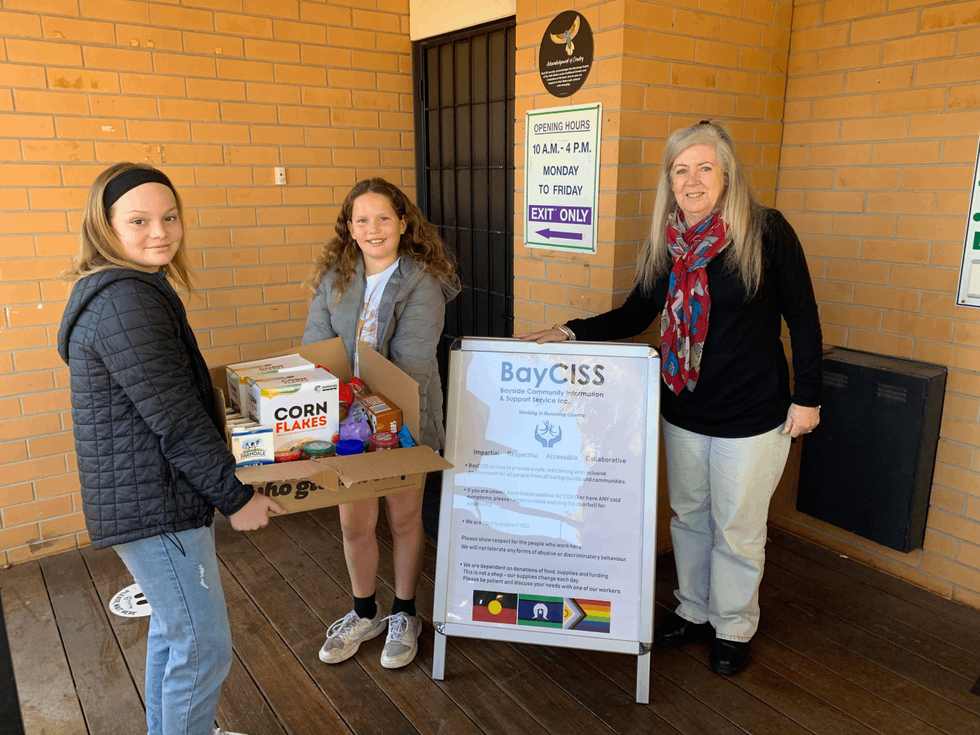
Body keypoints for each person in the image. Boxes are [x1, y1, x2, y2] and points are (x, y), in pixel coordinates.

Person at [518, 120, 822, 676]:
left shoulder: (766, 231)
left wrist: (808, 398)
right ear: (670, 181)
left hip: (753, 414)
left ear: (727, 174)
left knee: (736, 527)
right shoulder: (668, 240)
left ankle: (732, 625)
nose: (692, 179)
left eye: (704, 167)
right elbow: (638, 312)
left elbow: (801, 315)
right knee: (689, 516)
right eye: (681, 169)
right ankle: (695, 610)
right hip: (683, 407)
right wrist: (570, 331)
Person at [57, 162, 284, 735]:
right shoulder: (124, 301)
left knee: (174, 631)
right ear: (105, 227)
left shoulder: (129, 288)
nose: (160, 231)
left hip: (150, 494)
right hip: (153, 503)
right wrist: (237, 498)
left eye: (170, 216)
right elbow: (177, 420)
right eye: (139, 220)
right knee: (204, 648)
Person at [303, 177, 460, 669]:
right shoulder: (336, 278)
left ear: (403, 223)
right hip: (347, 423)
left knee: (405, 517)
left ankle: (406, 612)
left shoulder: (421, 282)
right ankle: (364, 611)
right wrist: (334, 402)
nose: (373, 229)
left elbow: (409, 363)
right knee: (354, 523)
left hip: (404, 419)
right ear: (349, 228)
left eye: (383, 218)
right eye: (362, 220)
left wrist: (360, 404)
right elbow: (317, 345)